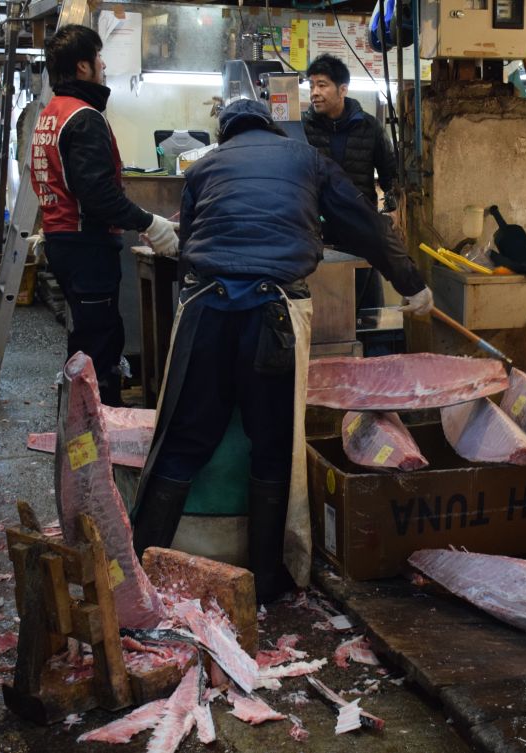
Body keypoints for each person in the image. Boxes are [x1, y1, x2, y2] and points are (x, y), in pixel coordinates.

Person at [130, 99, 433, 603]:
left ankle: (140, 571)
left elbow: (188, 246)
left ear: (225, 134)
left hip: (206, 313)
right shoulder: (308, 159)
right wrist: (411, 282)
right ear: (271, 128)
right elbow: (364, 222)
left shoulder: (204, 167)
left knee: (183, 440)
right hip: (271, 316)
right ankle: (266, 583)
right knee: (270, 445)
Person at [30, 24, 178, 406]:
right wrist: (150, 223)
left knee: (88, 339)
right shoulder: (84, 117)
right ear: (83, 66)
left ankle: (83, 422)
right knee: (99, 346)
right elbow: (98, 195)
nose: (104, 64)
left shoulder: (52, 113)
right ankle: (98, 426)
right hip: (86, 247)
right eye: (99, 57)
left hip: (66, 243)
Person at [303, 54, 396, 310]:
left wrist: (392, 210)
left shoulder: (369, 127)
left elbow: (390, 175)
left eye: (322, 85)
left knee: (366, 305)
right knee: (323, 306)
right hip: (316, 232)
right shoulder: (303, 128)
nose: (314, 93)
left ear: (342, 89)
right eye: (311, 85)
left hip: (359, 229)